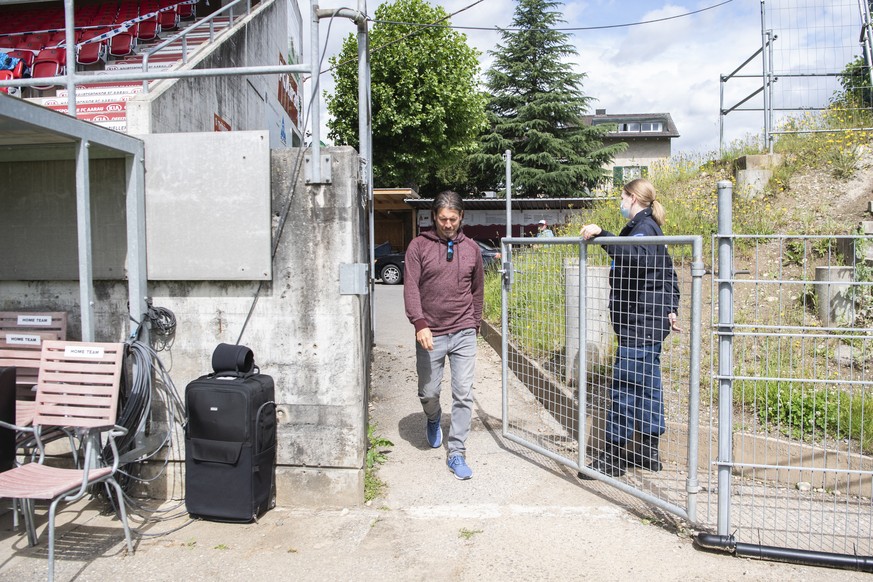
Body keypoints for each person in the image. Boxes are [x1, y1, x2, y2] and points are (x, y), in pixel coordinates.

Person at [577, 178, 680, 479]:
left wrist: (602, 235)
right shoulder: (647, 228)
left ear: (633, 198)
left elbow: (633, 259)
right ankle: (648, 452)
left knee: (624, 387)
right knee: (647, 387)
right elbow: (669, 275)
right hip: (647, 322)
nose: (620, 202)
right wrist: (671, 308)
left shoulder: (645, 229)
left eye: (622, 196)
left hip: (640, 324)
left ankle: (613, 458)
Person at [403, 191, 484, 480]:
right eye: (442, 218)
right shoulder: (418, 246)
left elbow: (477, 290)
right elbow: (411, 287)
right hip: (430, 332)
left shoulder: (472, 249)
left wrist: (474, 324)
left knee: (463, 394)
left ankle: (457, 452)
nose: (448, 224)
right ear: (434, 217)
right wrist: (419, 323)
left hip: (463, 331)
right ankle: (433, 416)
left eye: (453, 218)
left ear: (461, 217)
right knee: (428, 391)